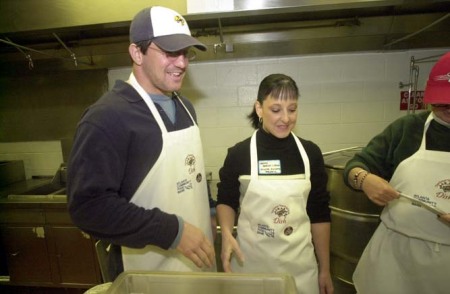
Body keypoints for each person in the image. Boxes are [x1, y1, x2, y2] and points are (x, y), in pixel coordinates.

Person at [67, 6, 216, 280]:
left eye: (186, 53)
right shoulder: (108, 117)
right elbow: (88, 207)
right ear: (137, 53)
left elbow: (188, 175)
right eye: (171, 52)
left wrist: (209, 210)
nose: (182, 63)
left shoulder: (185, 108)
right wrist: (173, 231)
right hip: (147, 275)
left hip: (198, 270)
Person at [216, 74, 334, 294]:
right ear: (259, 109)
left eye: (292, 109)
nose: (286, 118)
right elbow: (226, 200)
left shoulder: (310, 154)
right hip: (250, 267)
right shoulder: (239, 154)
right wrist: (226, 235)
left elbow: (319, 214)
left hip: (300, 270)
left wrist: (325, 269)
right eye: (276, 109)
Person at [343, 52, 450, 294]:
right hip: (396, 260)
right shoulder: (407, 129)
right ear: (428, 91)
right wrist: (365, 179)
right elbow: (355, 167)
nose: (448, 108)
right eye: (442, 101)